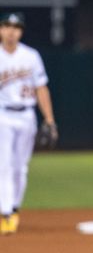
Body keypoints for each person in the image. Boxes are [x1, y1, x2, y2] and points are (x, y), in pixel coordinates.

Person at [0, 12, 58, 236]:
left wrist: (50, 119)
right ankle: (5, 213)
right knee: (3, 164)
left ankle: (14, 209)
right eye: (6, 26)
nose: (11, 31)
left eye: (16, 27)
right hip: (3, 115)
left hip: (26, 116)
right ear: (1, 30)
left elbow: (41, 88)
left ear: (21, 31)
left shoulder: (31, 56)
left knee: (20, 167)